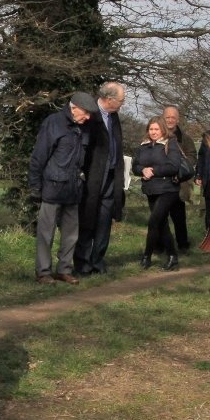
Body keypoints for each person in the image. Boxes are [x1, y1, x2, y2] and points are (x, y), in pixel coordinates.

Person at [28, 92, 93, 284]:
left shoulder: (85, 128)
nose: (88, 117)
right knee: (45, 234)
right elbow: (39, 155)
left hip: (74, 189)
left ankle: (64, 270)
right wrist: (35, 186)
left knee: (71, 235)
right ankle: (43, 273)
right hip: (52, 188)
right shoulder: (53, 123)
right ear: (74, 108)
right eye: (86, 113)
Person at [75, 82, 126, 276]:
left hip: (111, 177)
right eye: (121, 100)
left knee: (105, 221)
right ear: (110, 99)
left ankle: (98, 261)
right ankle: (83, 263)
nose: (123, 103)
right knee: (87, 221)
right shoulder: (91, 115)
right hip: (92, 178)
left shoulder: (114, 117)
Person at [133, 117, 184, 271]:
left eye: (156, 129)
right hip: (151, 189)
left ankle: (146, 256)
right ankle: (172, 257)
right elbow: (135, 165)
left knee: (154, 221)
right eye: (151, 129)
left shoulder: (171, 144)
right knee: (162, 225)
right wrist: (142, 170)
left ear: (162, 129)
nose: (153, 132)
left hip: (168, 189)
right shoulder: (143, 146)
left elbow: (173, 166)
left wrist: (153, 171)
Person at [163, 105, 195, 253]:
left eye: (173, 118)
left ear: (178, 119)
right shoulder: (157, 134)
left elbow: (192, 157)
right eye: (167, 117)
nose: (170, 120)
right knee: (160, 218)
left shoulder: (186, 139)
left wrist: (179, 170)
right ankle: (160, 246)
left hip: (178, 182)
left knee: (179, 217)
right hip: (161, 182)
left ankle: (183, 246)